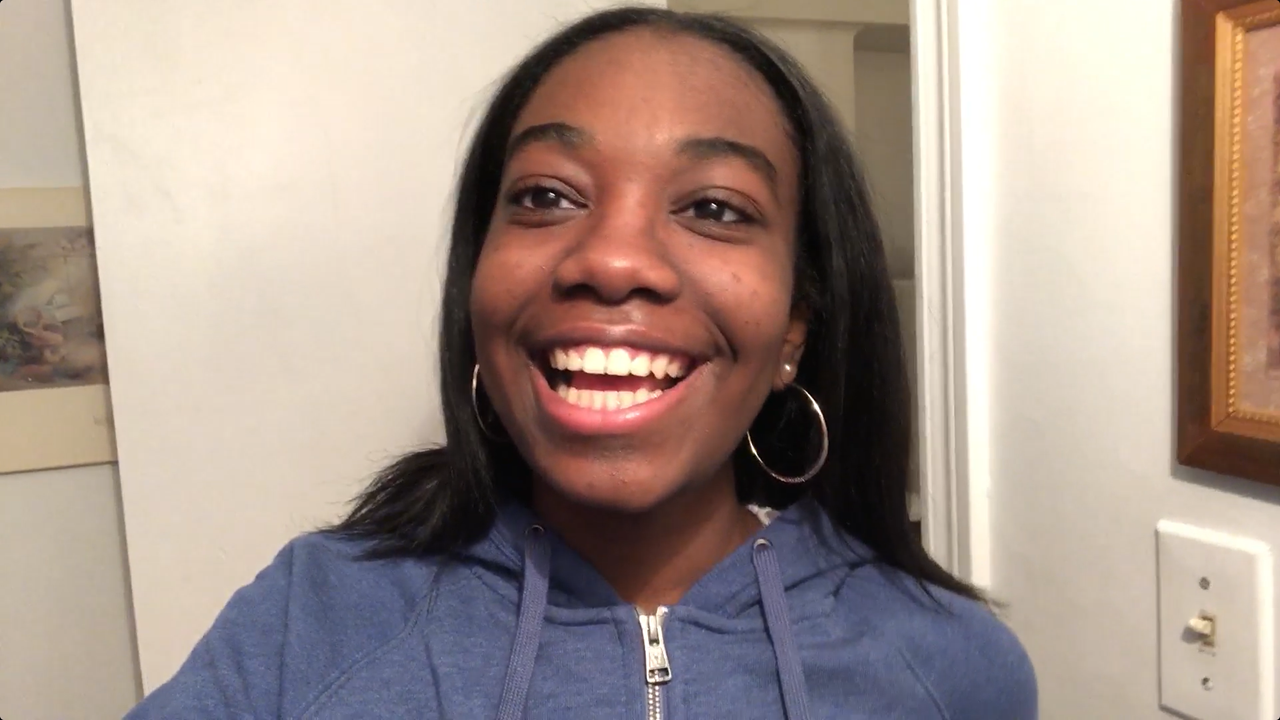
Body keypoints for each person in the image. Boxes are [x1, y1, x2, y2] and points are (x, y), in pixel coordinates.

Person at [126, 6, 1037, 719]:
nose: (610, 259)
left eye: (715, 208)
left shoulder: (951, 667)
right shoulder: (311, 623)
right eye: (547, 195)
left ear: (794, 330)